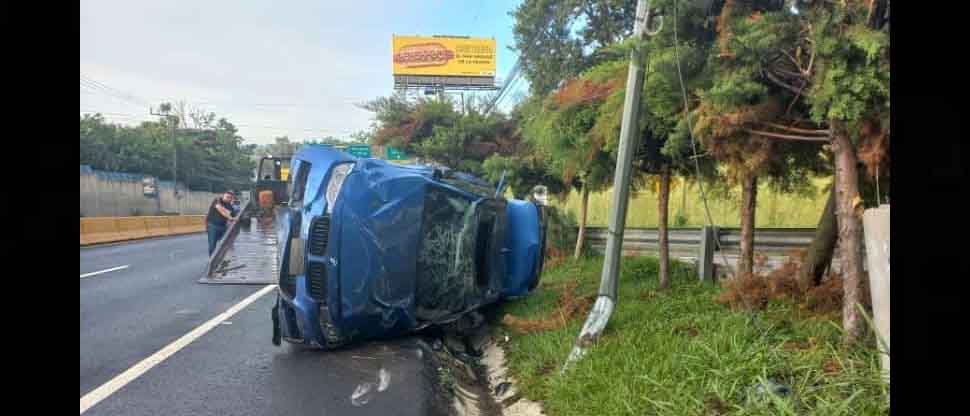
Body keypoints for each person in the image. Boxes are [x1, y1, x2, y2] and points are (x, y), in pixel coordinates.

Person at [206, 191, 237, 256]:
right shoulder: (217, 200)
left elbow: (234, 217)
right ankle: (212, 260)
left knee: (225, 244)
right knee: (212, 245)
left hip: (223, 227)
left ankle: (222, 259)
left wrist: (234, 219)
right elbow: (221, 210)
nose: (228, 199)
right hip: (213, 226)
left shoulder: (230, 207)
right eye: (227, 197)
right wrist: (230, 217)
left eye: (230, 198)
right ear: (223, 196)